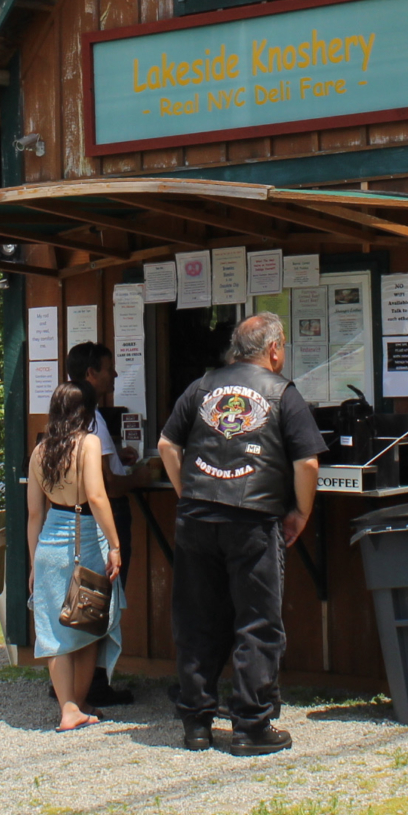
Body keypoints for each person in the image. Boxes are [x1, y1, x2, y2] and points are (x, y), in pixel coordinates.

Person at [158, 310, 323, 755]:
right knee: (257, 622)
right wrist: (301, 512)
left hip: (196, 517)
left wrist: (187, 492)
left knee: (197, 621)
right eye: (283, 346)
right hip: (252, 518)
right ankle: (251, 725)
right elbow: (307, 462)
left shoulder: (202, 385)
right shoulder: (283, 393)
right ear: (273, 349)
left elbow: (166, 444)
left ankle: (196, 723)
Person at [26, 377, 126, 731]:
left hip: (49, 542)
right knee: (88, 623)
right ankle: (76, 706)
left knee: (55, 632)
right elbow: (97, 498)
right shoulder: (88, 444)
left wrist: (33, 562)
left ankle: (71, 707)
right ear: (87, 410)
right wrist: (114, 545)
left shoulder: (40, 450)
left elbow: (34, 514)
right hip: (85, 539)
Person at [63, 341, 142, 710]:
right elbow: (108, 485)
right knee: (99, 600)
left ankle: (67, 684)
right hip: (102, 520)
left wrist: (119, 459)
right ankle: (93, 683)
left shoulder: (65, 414)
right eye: (109, 369)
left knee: (75, 600)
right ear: (92, 373)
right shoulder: (92, 418)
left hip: (66, 521)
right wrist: (139, 475)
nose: (114, 375)